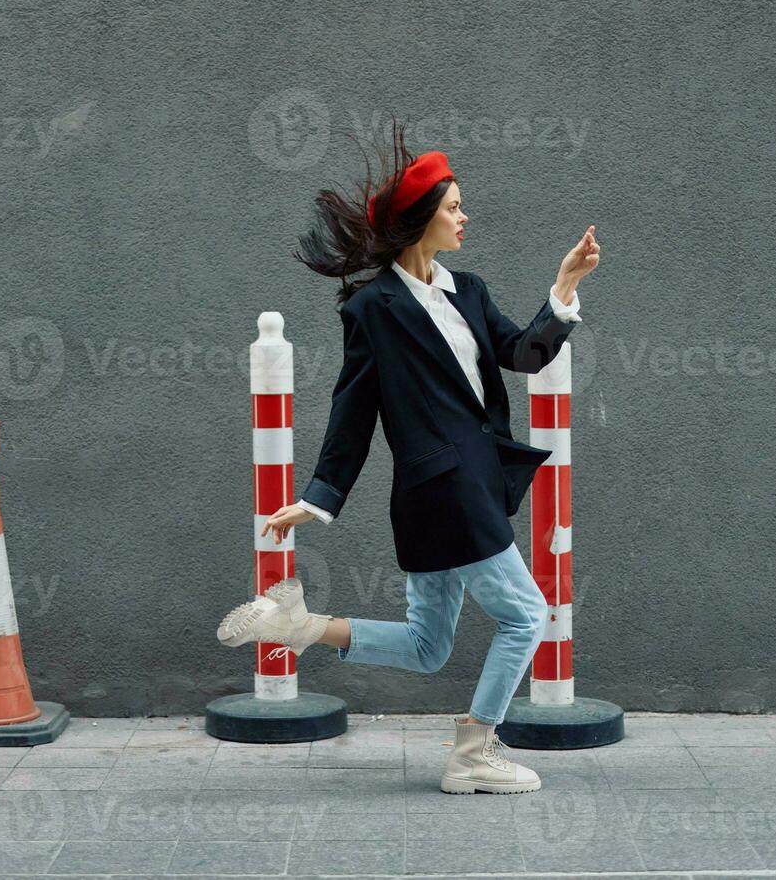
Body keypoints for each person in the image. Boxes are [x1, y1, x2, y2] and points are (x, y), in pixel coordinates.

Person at [216, 120, 601, 794]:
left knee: (429, 647)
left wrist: (563, 287)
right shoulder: (375, 309)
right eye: (453, 207)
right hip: (448, 494)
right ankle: (475, 751)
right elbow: (353, 407)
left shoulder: (470, 291)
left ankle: (298, 624)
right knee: (526, 615)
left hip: (456, 487)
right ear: (423, 218)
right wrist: (320, 495)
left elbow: (524, 355)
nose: (464, 216)